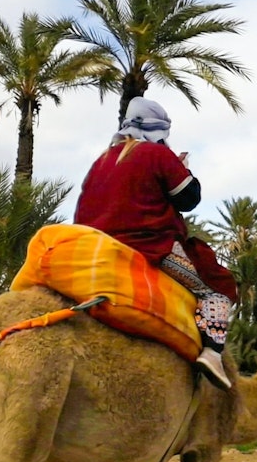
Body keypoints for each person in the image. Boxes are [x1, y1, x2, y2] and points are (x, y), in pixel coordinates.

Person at [74, 97, 236, 390]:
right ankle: (213, 353)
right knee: (216, 287)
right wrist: (182, 168)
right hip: (147, 245)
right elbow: (189, 199)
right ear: (158, 128)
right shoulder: (156, 154)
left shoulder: (101, 160)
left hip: (90, 247)